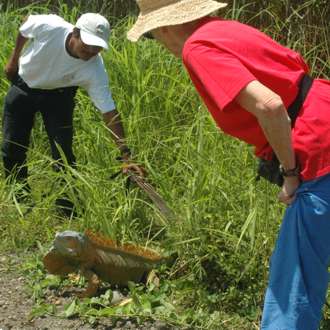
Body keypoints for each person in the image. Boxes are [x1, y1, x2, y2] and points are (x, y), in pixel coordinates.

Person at [127, 1, 330, 329]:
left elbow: (269, 104)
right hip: (324, 108)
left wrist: (290, 173)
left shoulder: (197, 48)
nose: (159, 45)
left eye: (151, 36)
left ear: (163, 27)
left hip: (317, 147)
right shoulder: (226, 28)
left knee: (293, 282)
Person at [2, 12, 141, 216]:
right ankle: (20, 198)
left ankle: (66, 206)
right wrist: (13, 60)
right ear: (75, 33)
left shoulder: (95, 68)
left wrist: (126, 154)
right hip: (24, 87)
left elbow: (109, 111)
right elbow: (25, 27)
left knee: (63, 153)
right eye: (88, 44)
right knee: (12, 146)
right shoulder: (50, 27)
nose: (92, 51)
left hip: (60, 97)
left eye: (98, 47)